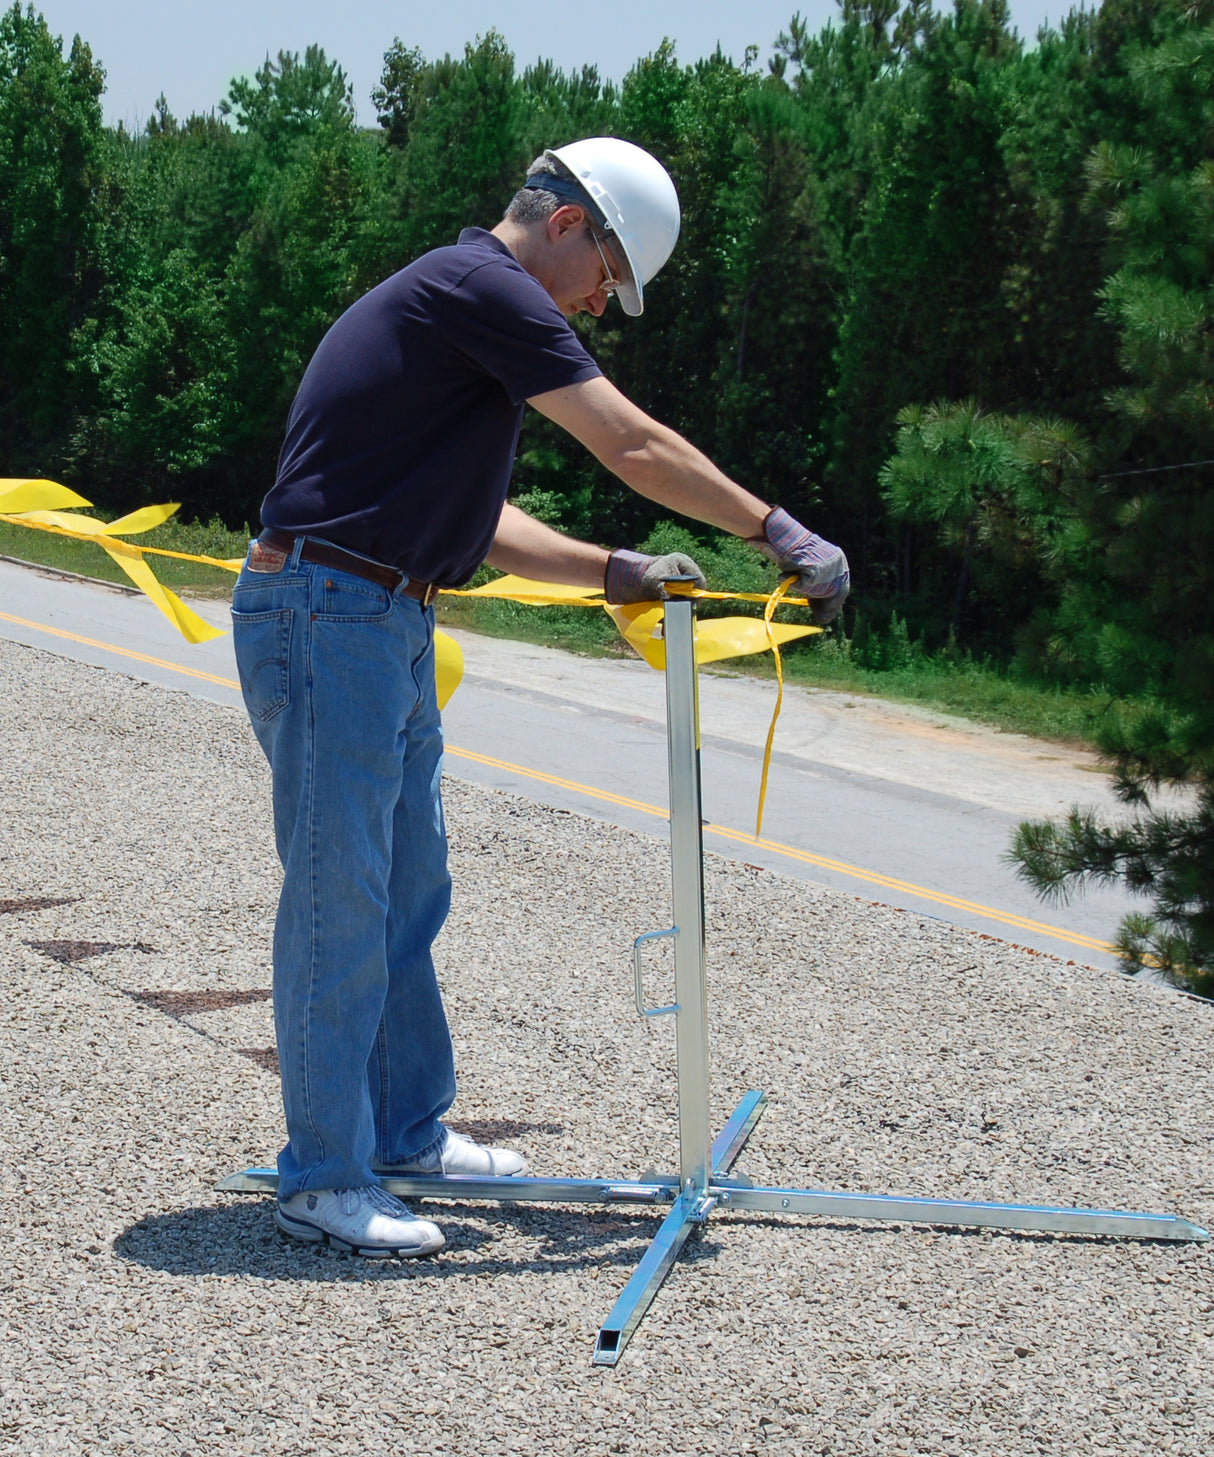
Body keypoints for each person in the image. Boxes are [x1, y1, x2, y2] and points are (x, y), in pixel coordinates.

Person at [231, 137, 849, 1259]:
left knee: (406, 884)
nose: (602, 306)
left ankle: (404, 1133)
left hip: (375, 608)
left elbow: (478, 527)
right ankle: (322, 1175)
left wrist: (611, 568)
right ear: (567, 224)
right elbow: (631, 440)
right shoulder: (485, 288)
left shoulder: (462, 311)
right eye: (609, 276)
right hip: (329, 612)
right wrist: (771, 524)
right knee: (340, 895)